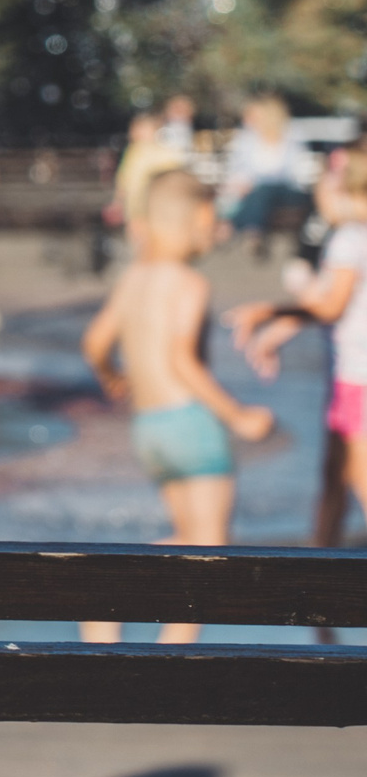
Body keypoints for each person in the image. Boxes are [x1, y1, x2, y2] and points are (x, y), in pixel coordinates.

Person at [80, 170, 272, 644]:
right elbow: (181, 359)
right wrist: (237, 415)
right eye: (210, 223)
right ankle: (169, 655)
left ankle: (109, 598)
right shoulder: (188, 282)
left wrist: (112, 375)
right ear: (183, 224)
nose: (216, 233)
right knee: (210, 552)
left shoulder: (134, 278)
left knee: (190, 538)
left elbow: (95, 342)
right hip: (190, 424)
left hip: (150, 429)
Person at [232, 149, 367, 636]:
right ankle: (322, 600)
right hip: (349, 379)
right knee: (332, 480)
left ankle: (323, 603)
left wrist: (268, 311)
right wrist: (281, 327)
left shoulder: (350, 238)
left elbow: (330, 307)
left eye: (324, 191)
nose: (319, 200)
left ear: (348, 192)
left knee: (356, 484)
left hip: (359, 383)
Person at [223, 95, 309, 253]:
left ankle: (243, 229)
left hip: (287, 190)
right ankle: (250, 230)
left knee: (264, 188)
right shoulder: (246, 138)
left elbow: (297, 171)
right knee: (258, 191)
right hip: (254, 190)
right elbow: (238, 168)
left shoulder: (292, 134)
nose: (247, 119)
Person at [110, 109, 187, 239]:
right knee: (136, 235)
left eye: (143, 129)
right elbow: (123, 179)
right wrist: (117, 201)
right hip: (134, 205)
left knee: (155, 236)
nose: (138, 133)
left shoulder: (164, 152)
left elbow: (175, 176)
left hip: (155, 206)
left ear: (156, 129)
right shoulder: (132, 152)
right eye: (135, 129)